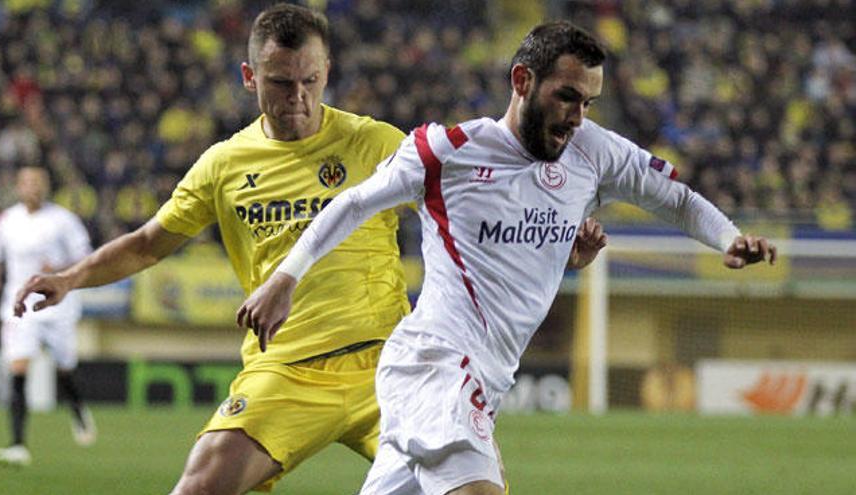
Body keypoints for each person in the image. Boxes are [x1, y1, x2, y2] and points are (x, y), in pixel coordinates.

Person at [11, 4, 604, 493]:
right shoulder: (223, 165)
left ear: (327, 72)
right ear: (250, 79)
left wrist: (551, 242)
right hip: (286, 371)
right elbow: (147, 244)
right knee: (198, 487)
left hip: (393, 365)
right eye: (279, 82)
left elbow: (478, 215)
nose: (297, 96)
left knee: (479, 486)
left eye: (309, 81)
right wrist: (69, 277)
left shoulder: (375, 142)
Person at [238, 20, 779, 495]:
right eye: (567, 96)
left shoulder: (593, 151)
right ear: (523, 81)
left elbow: (676, 199)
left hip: (487, 380)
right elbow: (354, 202)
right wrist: (285, 277)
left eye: (588, 101)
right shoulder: (447, 151)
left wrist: (728, 239)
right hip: (435, 365)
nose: (576, 117)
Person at [0, 166, 96, 467]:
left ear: (46, 186)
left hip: (58, 306)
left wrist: (58, 265)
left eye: (38, 182)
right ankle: (18, 444)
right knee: (18, 369)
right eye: (27, 182)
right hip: (19, 306)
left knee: (65, 368)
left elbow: (86, 256)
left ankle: (78, 409)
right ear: (17, 187)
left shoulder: (63, 220)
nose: (32, 187)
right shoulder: (7, 221)